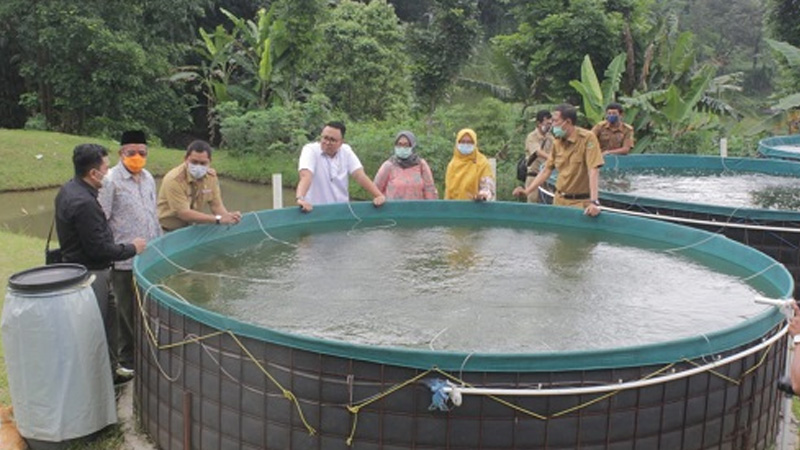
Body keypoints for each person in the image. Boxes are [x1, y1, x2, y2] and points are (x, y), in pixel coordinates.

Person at [55, 143, 147, 383]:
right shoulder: (84, 203)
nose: (108, 173)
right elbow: (98, 249)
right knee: (98, 327)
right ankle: (101, 380)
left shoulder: (69, 189)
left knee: (108, 322)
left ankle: (111, 368)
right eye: (105, 168)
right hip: (92, 275)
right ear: (93, 173)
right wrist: (132, 248)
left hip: (78, 269)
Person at [98, 130, 161, 375]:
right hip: (123, 260)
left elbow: (152, 215)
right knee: (126, 313)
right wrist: (112, 251)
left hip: (148, 258)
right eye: (131, 152)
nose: (137, 157)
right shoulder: (110, 180)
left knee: (146, 308)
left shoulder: (148, 178)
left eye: (142, 153)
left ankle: (145, 353)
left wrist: (159, 245)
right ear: (121, 153)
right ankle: (127, 361)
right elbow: (101, 218)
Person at [512, 104, 604, 217]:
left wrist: (594, 202)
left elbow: (593, 170)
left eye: (556, 121)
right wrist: (527, 191)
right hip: (559, 200)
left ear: (568, 122)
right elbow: (546, 170)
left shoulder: (587, 138)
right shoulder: (557, 142)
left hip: (579, 202)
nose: (553, 125)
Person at [295, 121, 386, 212]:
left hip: (341, 210)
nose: (327, 142)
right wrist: (300, 198)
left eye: (332, 140)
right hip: (315, 210)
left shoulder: (346, 151)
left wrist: (378, 195)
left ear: (341, 142)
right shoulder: (310, 150)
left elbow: (359, 175)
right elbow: (306, 176)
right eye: (325, 138)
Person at [157, 140, 242, 231]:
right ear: (186, 159)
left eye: (203, 163)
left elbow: (216, 206)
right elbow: (183, 213)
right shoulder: (174, 180)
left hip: (192, 229)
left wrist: (229, 218)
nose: (198, 167)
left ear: (209, 162)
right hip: (167, 230)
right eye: (194, 162)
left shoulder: (211, 177)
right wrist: (218, 219)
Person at [373, 131, 438, 200]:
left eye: (406, 145)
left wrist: (431, 207)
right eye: (399, 144)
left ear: (412, 146)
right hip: (393, 209)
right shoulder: (388, 165)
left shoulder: (421, 165)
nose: (402, 148)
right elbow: (376, 189)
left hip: (417, 208)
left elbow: (429, 188)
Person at [444, 128, 495, 201]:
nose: (466, 144)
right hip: (454, 208)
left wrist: (483, 195)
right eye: (462, 142)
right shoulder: (452, 165)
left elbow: (487, 185)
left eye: (469, 142)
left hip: (475, 207)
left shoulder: (482, 163)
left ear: (475, 144)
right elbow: (448, 191)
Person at [524, 110, 555, 203]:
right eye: (547, 123)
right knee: (533, 204)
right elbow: (537, 152)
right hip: (534, 176)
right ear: (539, 123)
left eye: (551, 123)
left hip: (547, 178)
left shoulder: (550, 138)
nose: (549, 126)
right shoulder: (532, 137)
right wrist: (552, 159)